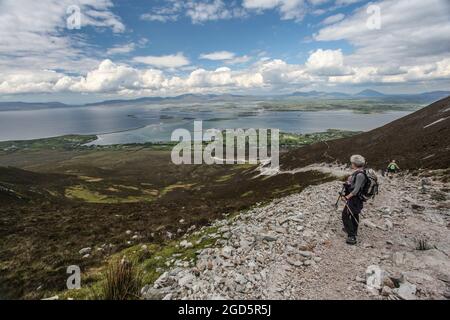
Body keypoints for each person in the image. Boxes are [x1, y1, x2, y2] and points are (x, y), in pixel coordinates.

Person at [341, 155, 367, 245]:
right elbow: (355, 185)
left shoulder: (360, 175)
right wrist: (349, 182)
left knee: (345, 215)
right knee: (354, 214)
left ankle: (351, 236)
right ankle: (352, 229)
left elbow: (356, 190)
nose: (351, 164)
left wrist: (347, 197)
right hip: (355, 199)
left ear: (355, 164)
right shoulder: (359, 172)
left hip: (355, 199)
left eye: (352, 163)